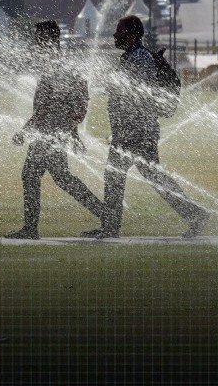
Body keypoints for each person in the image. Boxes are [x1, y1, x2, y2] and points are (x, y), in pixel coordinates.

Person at [83, 15, 210, 239]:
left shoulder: (140, 58)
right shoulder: (134, 56)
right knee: (149, 176)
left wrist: (113, 85)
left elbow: (135, 93)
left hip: (136, 132)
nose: (114, 35)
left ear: (131, 34)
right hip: (134, 130)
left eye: (119, 30)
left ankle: (111, 227)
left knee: (116, 175)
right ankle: (195, 214)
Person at [6, 21, 106, 240]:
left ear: (50, 39)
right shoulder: (58, 63)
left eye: (39, 38)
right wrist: (72, 131)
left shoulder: (55, 64)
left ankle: (31, 229)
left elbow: (48, 106)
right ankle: (106, 215)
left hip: (49, 132)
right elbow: (72, 99)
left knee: (33, 175)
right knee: (61, 177)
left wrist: (25, 131)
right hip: (53, 130)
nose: (35, 42)